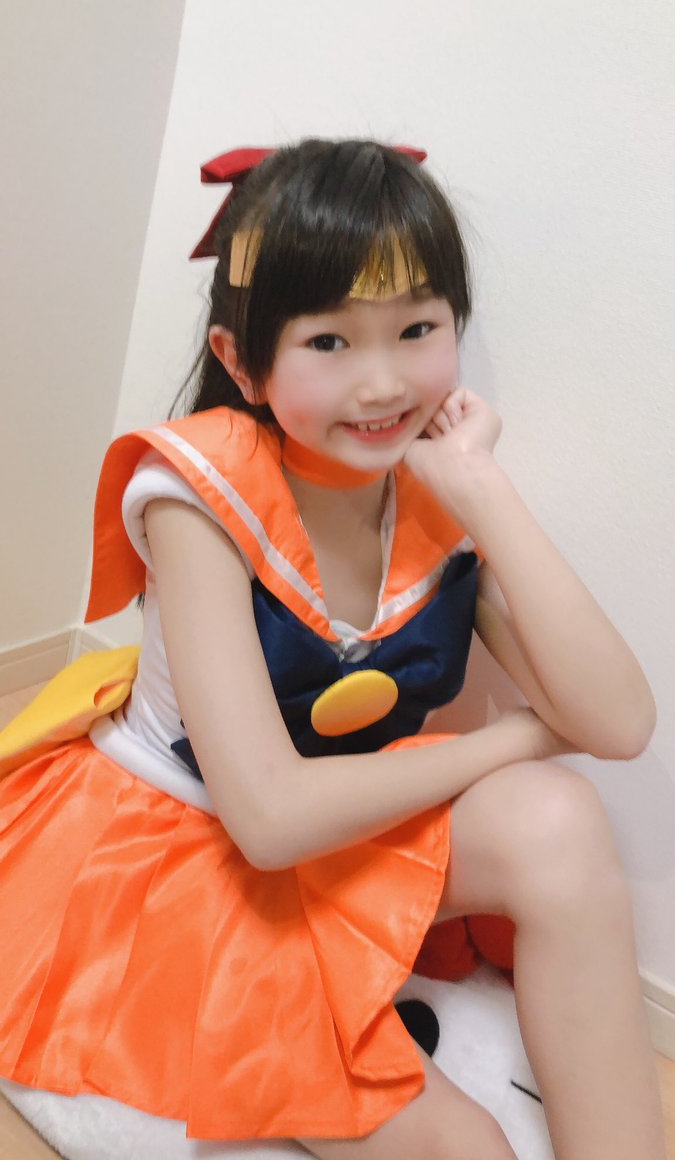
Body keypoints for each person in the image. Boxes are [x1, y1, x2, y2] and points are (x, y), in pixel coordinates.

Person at [0, 138, 666, 1160]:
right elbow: (267, 821)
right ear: (241, 361)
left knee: (560, 818)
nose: (383, 382)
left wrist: (483, 488)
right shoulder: (196, 494)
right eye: (328, 341)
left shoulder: (429, 488)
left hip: (337, 828)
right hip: (192, 853)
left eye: (417, 329)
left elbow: (619, 723)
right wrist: (513, 741)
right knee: (464, 1150)